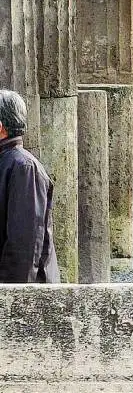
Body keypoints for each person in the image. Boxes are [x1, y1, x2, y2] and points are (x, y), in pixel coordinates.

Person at [0, 89, 60, 283]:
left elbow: (24, 245)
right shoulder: (9, 161)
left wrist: (12, 298)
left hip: (24, 292)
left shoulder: (24, 167)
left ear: (1, 127)